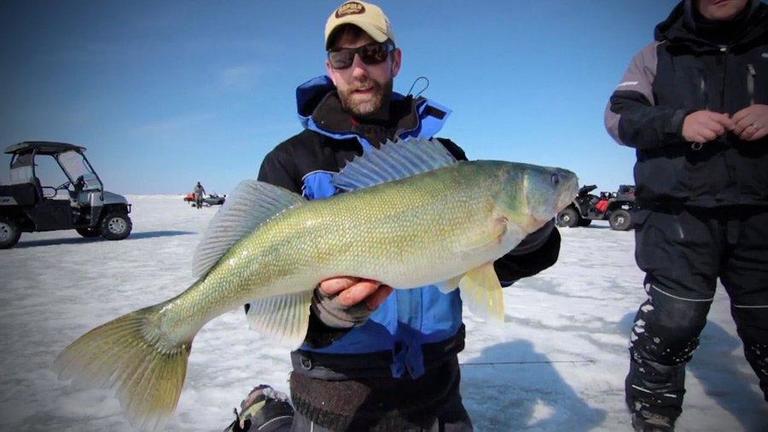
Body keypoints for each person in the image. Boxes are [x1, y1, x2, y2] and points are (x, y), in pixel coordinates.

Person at [224, 1, 562, 431]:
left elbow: (494, 265)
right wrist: (328, 317)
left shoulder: (447, 160)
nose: (358, 69)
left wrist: (528, 235)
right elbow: (259, 300)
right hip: (334, 395)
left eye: (373, 53)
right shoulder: (291, 161)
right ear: (330, 68)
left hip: (437, 390)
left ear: (395, 60)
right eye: (343, 58)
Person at [604, 1, 768, 430]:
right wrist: (679, 122)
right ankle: (653, 413)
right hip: (678, 215)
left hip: (762, 216)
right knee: (673, 321)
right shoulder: (656, 54)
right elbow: (619, 117)